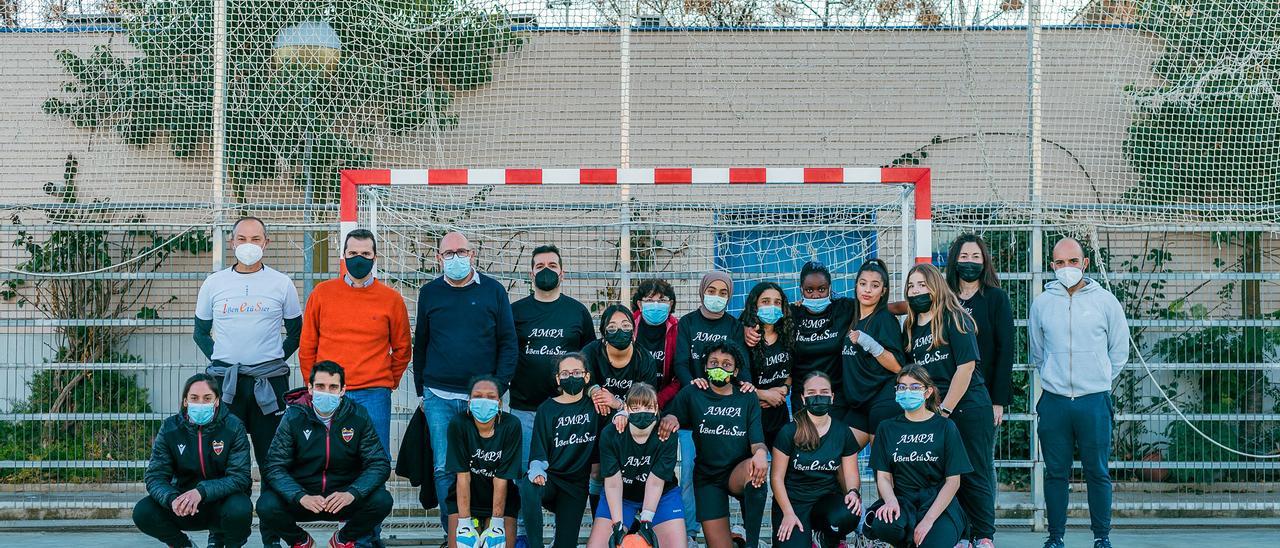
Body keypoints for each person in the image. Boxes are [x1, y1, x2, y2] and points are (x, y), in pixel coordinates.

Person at [413, 231, 519, 530]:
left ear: (472, 255)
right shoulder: (430, 293)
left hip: (483, 400)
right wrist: (422, 391)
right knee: (445, 469)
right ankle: (456, 535)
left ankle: (488, 531)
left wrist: (498, 388)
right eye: (448, 253)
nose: (455, 257)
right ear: (439, 258)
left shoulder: (494, 291)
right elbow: (420, 343)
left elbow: (508, 343)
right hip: (439, 397)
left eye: (461, 251)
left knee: (487, 467)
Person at [1029, 237, 1129, 548]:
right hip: (1055, 402)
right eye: (1060, 263)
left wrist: (1098, 379)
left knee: (1097, 472)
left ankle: (1102, 537)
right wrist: (1054, 377)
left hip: (1093, 401)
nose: (1067, 268)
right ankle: (1055, 537)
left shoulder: (1105, 301)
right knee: (1056, 473)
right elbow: (1037, 351)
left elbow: (1119, 350)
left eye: (1073, 261)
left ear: (1084, 263)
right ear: (1052, 266)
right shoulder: (1043, 303)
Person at [195, 217, 301, 469]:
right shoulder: (214, 283)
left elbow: (296, 334)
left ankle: (271, 507)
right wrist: (221, 359)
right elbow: (200, 333)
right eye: (242, 239)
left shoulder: (282, 283)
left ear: (266, 243)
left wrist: (272, 359)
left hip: (270, 382)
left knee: (273, 457)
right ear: (231, 242)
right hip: (226, 382)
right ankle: (231, 507)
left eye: (255, 239)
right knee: (225, 457)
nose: (248, 244)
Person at [903, 264, 995, 548]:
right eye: (911, 286)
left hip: (966, 407)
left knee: (974, 472)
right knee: (947, 476)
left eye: (922, 284)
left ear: (936, 286)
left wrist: (944, 412)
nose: (916, 291)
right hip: (936, 412)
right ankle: (962, 534)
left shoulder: (955, 318)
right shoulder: (910, 326)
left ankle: (984, 536)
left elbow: (965, 369)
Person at [509, 244, 596, 545]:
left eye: (552, 265)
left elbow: (590, 359)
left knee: (568, 480)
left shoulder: (577, 312)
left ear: (563, 272)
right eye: (539, 265)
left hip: (569, 413)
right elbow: (506, 353)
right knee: (527, 482)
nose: (546, 270)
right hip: (525, 410)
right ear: (530, 272)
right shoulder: (516, 312)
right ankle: (524, 537)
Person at [298, 228, 411, 458]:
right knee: (328, 456)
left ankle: (375, 496)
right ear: (344, 256)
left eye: (366, 254)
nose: (359, 259)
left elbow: (402, 348)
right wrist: (316, 385)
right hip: (330, 391)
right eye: (353, 253)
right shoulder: (322, 293)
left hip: (374, 393)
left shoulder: (392, 299)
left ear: (375, 257)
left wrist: (386, 380)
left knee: (375, 457)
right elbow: (308, 345)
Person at [258, 361, 394, 548]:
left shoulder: (358, 416)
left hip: (342, 498)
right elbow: (274, 466)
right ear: (310, 388)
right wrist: (300, 496)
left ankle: (343, 539)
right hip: (304, 498)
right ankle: (300, 541)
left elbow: (379, 463)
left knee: (382, 500)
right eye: (320, 386)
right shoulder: (293, 417)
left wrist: (352, 493)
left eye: (333, 387)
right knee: (266, 504)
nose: (326, 392)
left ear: (342, 390)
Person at [656, 342, 768, 548]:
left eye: (727, 364)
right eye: (713, 362)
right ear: (705, 367)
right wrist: (670, 418)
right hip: (708, 478)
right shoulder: (693, 392)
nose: (719, 367)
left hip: (737, 471)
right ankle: (735, 542)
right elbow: (671, 413)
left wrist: (761, 453)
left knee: (757, 473)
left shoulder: (746, 396)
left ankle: (752, 542)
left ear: (735, 370)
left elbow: (757, 441)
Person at [671, 271, 749, 545]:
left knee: (738, 472)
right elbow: (680, 362)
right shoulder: (688, 322)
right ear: (702, 292)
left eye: (723, 292)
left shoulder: (734, 325)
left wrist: (746, 385)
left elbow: (740, 363)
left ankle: (741, 530)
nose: (717, 296)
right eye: (712, 290)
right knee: (691, 474)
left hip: (726, 415)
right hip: (695, 412)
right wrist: (693, 384)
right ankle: (691, 532)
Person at [133, 374, 253, 548]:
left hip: (220, 505)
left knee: (240, 508)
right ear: (185, 401)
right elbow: (155, 477)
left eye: (207, 398)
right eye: (194, 398)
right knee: (143, 511)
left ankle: (225, 540)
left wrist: (201, 492)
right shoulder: (170, 428)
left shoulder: (233, 427)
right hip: (182, 505)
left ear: (217, 401)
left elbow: (240, 477)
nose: (201, 404)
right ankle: (182, 545)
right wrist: (172, 499)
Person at [865, 367, 971, 548]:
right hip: (903, 500)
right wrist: (891, 502)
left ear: (927, 392)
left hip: (937, 504)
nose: (907, 392)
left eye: (915, 387)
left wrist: (928, 520)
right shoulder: (886, 428)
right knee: (884, 525)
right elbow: (883, 476)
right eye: (902, 387)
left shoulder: (946, 427)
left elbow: (953, 482)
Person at [589, 383, 687, 548]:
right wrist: (618, 525)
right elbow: (612, 484)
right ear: (626, 408)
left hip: (662, 495)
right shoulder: (611, 433)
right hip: (622, 497)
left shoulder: (666, 433)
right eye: (635, 407)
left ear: (656, 409)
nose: (642, 411)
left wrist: (646, 520)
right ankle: (628, 524)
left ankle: (642, 523)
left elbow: (655, 482)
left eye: (648, 407)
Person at [770, 372, 862, 548]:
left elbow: (851, 473)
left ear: (832, 397)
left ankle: (826, 537)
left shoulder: (843, 432)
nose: (818, 396)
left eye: (824, 392)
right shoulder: (789, 432)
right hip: (793, 502)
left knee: (849, 512)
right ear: (803, 399)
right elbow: (776, 478)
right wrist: (788, 513)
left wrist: (852, 492)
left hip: (825, 499)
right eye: (812, 393)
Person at [526, 353, 602, 548]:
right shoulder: (546, 408)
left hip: (576, 486)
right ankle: (535, 545)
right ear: (558, 378)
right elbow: (538, 450)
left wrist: (619, 410)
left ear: (586, 376)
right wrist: (536, 470)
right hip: (551, 479)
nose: (571, 377)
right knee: (527, 486)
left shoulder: (596, 406)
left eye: (577, 372)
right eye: (566, 373)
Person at [445, 376, 523, 548]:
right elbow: (463, 476)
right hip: (466, 498)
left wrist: (496, 524)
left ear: (500, 403)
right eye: (478, 396)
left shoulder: (511, 425)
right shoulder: (459, 424)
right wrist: (464, 525)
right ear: (469, 402)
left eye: (491, 397)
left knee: (498, 544)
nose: (484, 401)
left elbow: (501, 478)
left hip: (502, 498)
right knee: (462, 544)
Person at [840, 258, 905, 448]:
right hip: (858, 404)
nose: (867, 290)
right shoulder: (850, 317)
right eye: (863, 284)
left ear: (883, 291)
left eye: (874, 285)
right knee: (839, 459)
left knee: (883, 468)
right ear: (856, 286)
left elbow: (897, 366)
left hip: (882, 401)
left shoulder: (885, 319)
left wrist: (869, 344)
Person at [784, 261, 858, 413]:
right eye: (809, 290)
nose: (816, 295)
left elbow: (881, 308)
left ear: (830, 289)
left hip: (835, 395)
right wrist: (747, 329)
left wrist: (915, 306)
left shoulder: (843, 308)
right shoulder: (792, 313)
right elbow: (756, 315)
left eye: (822, 289)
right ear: (801, 290)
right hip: (803, 396)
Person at [739, 281, 794, 449]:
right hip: (750, 415)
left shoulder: (788, 333)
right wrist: (762, 395)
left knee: (783, 469)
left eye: (777, 302)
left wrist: (784, 389)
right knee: (753, 470)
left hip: (778, 412)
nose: (772, 306)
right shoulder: (742, 336)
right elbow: (733, 378)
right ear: (754, 304)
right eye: (765, 301)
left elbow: (791, 371)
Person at [585, 304, 660, 416]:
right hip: (598, 411)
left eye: (626, 326)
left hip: (633, 416)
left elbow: (647, 400)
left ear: (633, 331)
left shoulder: (644, 359)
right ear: (603, 333)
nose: (620, 331)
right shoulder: (591, 352)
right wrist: (595, 392)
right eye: (612, 328)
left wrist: (618, 404)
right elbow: (580, 380)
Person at [630, 279, 681, 409]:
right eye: (649, 300)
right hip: (630, 400)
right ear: (640, 305)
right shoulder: (628, 327)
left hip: (665, 401)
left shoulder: (678, 330)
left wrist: (658, 401)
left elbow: (679, 376)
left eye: (662, 300)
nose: (656, 305)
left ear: (670, 305)